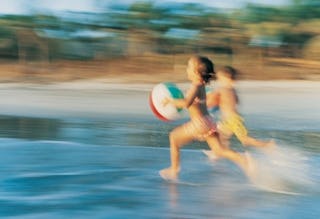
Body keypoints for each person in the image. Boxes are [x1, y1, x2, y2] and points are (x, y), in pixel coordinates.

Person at [159, 56, 253, 181]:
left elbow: (187, 103)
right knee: (218, 150)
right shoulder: (201, 85)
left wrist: (170, 101)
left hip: (199, 124)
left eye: (189, 67)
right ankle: (242, 159)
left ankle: (174, 170)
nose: (187, 69)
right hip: (208, 121)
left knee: (173, 137)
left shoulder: (196, 86)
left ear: (197, 72)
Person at [206, 65, 275, 155]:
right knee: (220, 136)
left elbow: (210, 102)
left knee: (244, 139)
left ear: (228, 78)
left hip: (232, 120)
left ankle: (266, 145)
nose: (218, 81)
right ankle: (220, 152)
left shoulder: (221, 90)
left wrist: (204, 100)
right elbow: (236, 101)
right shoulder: (233, 90)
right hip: (232, 119)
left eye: (220, 78)